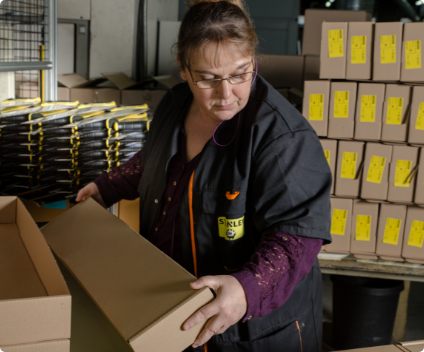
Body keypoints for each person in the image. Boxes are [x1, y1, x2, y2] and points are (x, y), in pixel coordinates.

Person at [76, 0, 332, 351]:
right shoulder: (174, 104)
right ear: (183, 69)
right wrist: (105, 188)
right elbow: (154, 157)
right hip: (173, 308)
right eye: (208, 79)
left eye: (241, 73)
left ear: (254, 60)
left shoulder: (282, 136)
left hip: (248, 331)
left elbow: (297, 237)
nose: (226, 94)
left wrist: (247, 287)